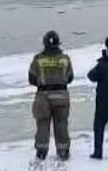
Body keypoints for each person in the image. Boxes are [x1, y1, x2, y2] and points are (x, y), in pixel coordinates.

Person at [29, 31, 74, 161]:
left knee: (42, 124)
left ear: (44, 44)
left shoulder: (38, 59)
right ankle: (63, 151)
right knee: (61, 124)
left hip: (43, 96)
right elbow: (70, 78)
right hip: (61, 95)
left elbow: (31, 79)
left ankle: (42, 151)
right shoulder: (65, 59)